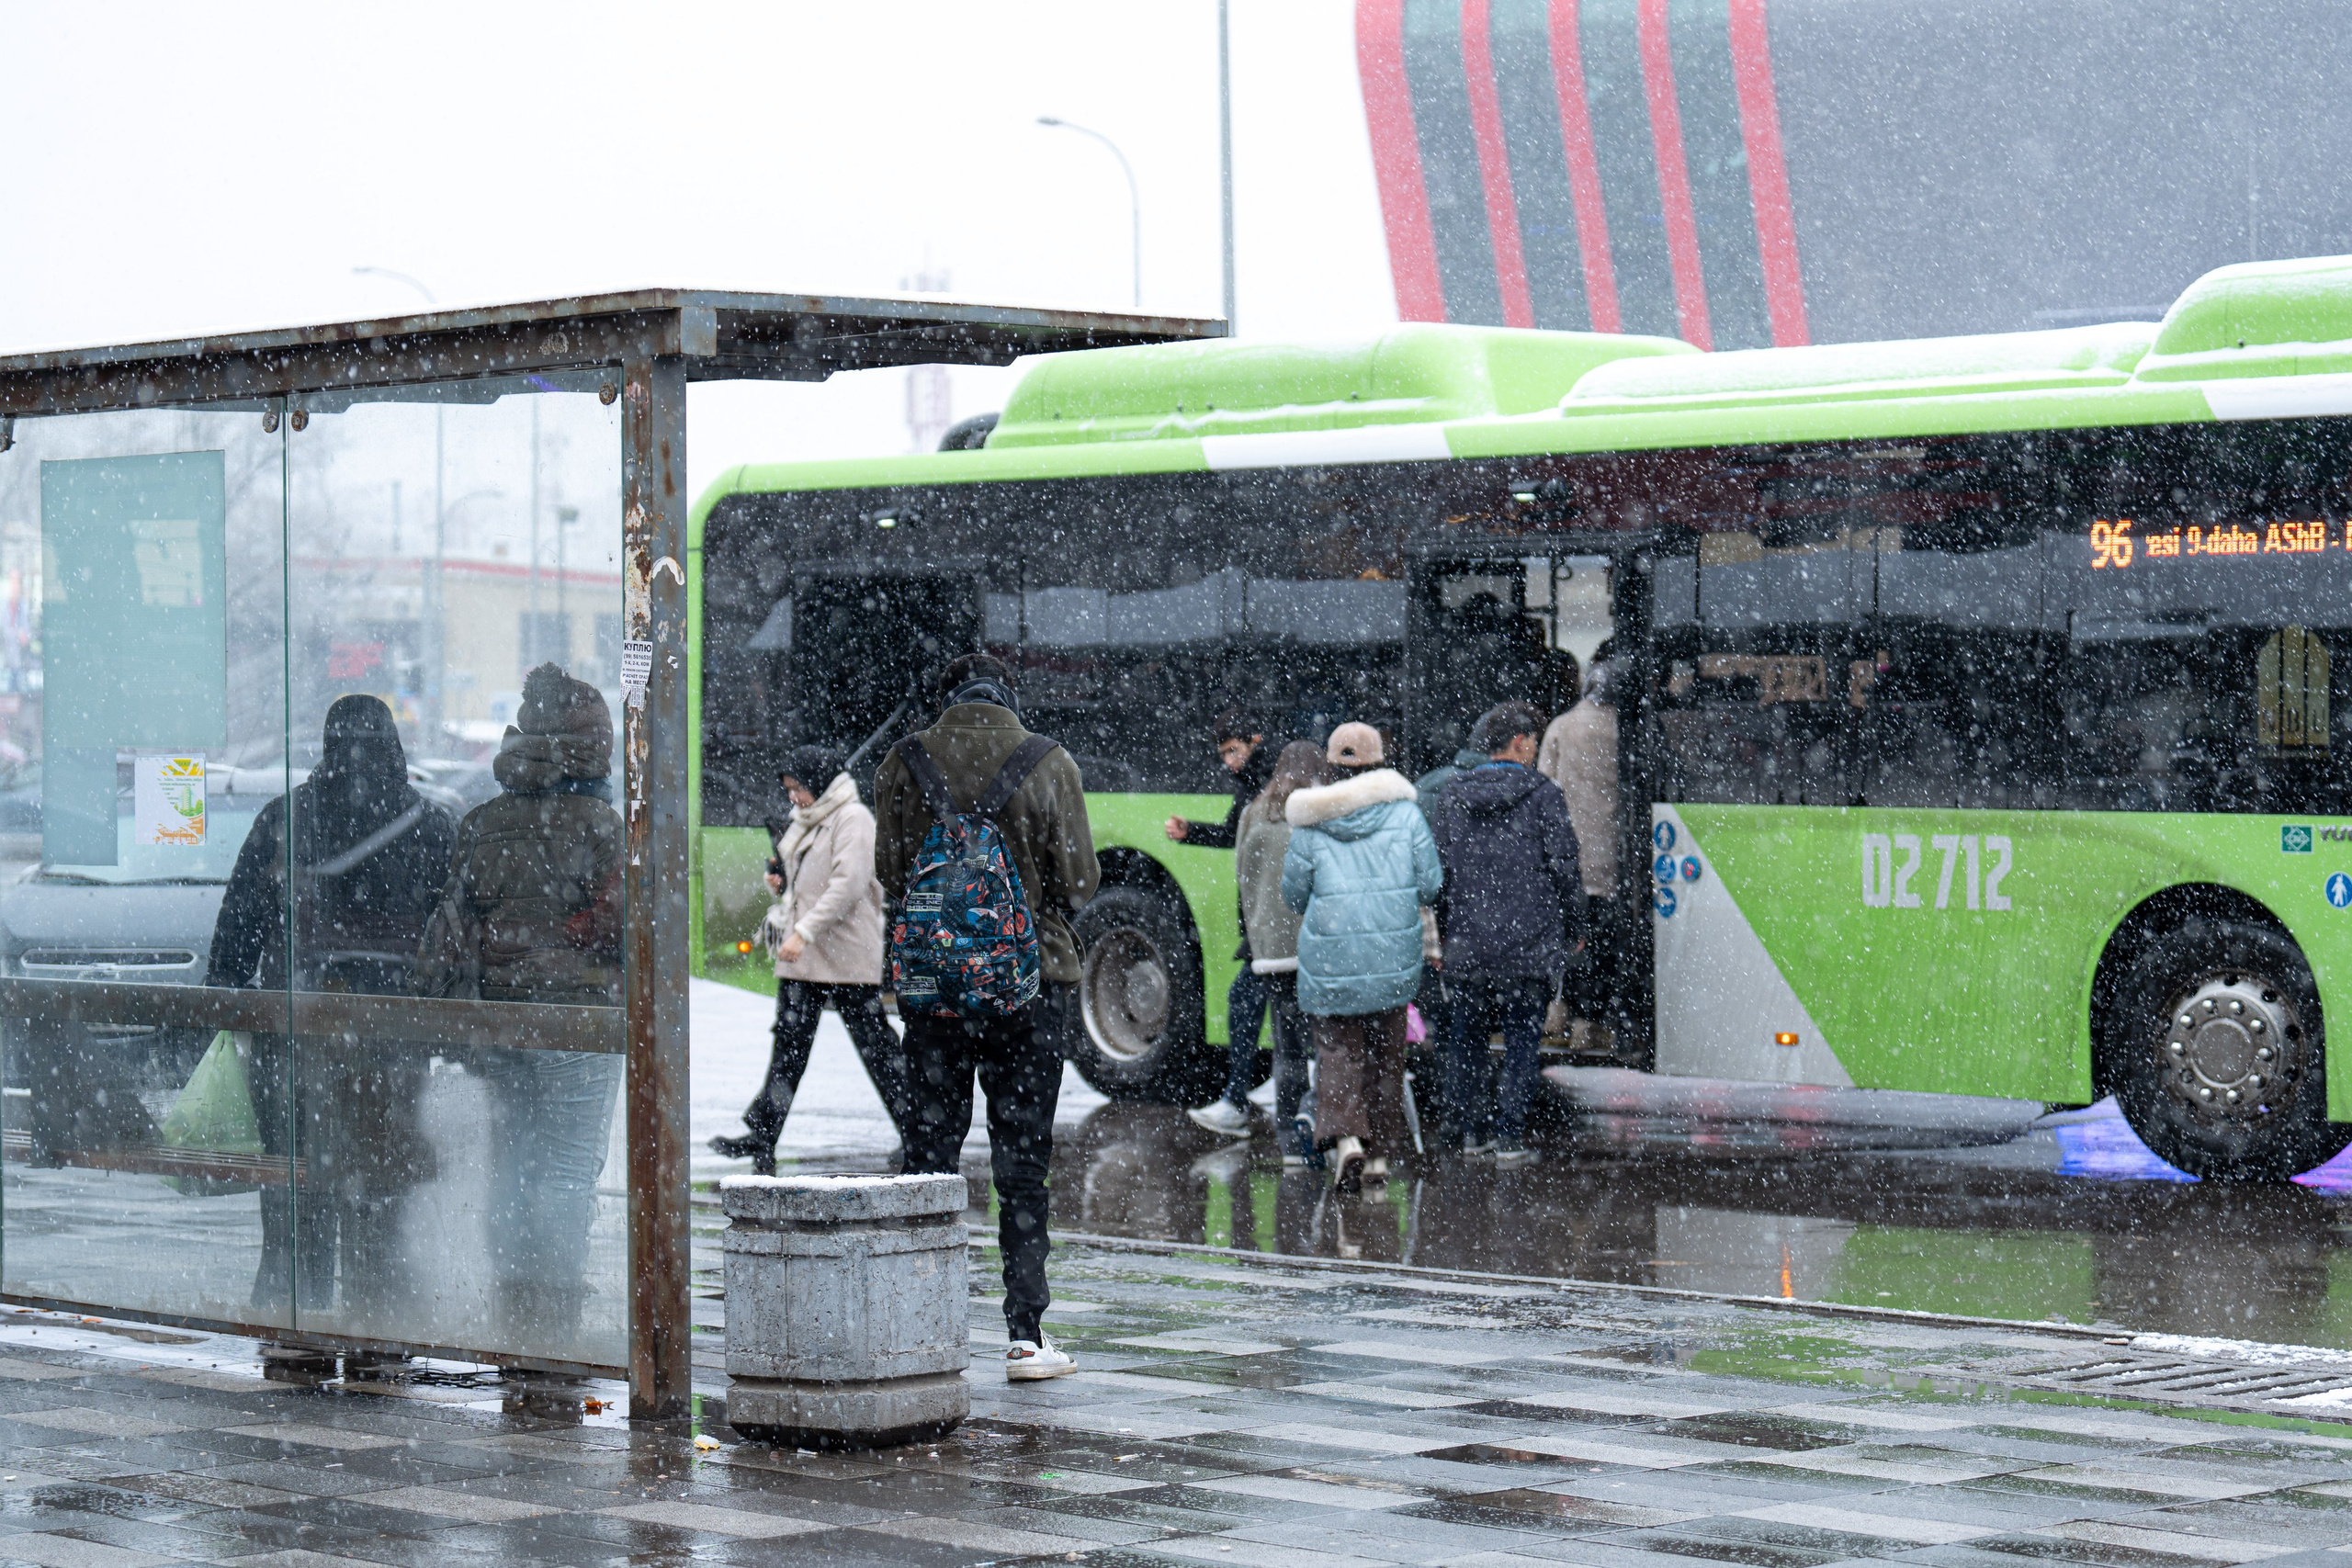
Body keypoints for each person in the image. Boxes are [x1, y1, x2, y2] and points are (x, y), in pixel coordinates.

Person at [874, 653, 1100, 1381]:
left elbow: (891, 870)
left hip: (932, 990)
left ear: (946, 700)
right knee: (1022, 1158)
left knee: (930, 1153)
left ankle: (922, 1323)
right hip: (1029, 988)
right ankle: (1026, 1335)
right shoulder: (1048, 760)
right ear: (1007, 696)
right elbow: (1080, 880)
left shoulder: (903, 761)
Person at [208, 694, 457, 1316]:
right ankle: (376, 1327)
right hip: (391, 1040)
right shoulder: (429, 826)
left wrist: (223, 1016)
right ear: (395, 746)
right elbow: (454, 944)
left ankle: (296, 1327)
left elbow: (235, 936)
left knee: (297, 1189)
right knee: (378, 1191)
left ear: (326, 746)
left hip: (293, 1035)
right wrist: (450, 1030)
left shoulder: (284, 819)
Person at [416, 663, 623, 1350]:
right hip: (579, 1024)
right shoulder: (602, 825)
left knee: (515, 1160)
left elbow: (454, 932)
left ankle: (514, 1296)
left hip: (503, 1021)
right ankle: (555, 1309)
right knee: (567, 1167)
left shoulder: (482, 823)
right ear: (586, 746)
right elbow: (626, 929)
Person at [710, 745, 909, 1175]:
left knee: (875, 1047)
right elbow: (807, 887)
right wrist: (780, 883)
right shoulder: (808, 823)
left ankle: (916, 1131)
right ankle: (763, 1135)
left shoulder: (852, 819)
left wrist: (803, 931)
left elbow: (849, 885)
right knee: (789, 1048)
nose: (793, 798)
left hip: (844, 958)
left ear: (817, 783)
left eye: (797, 789)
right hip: (807, 959)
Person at [1281, 722, 1442, 1194]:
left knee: (1336, 1053)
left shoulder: (1309, 823)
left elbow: (1293, 895)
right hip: (1393, 961)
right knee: (1387, 1057)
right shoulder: (1408, 817)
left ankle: (1348, 1138)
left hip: (1330, 962)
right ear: (1380, 762)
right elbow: (1430, 884)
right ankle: (1378, 1160)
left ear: (1330, 766)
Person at [1432, 700, 1586, 1166]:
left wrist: (1443, 935)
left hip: (1468, 942)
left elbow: (1440, 874)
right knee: (1522, 1041)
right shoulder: (1543, 793)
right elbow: (1565, 868)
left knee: (1468, 1039)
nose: (1536, 750)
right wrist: (1574, 926)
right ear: (1520, 743)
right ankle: (1511, 1137)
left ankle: (1473, 1132)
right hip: (1529, 941)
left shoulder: (1452, 793)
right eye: (1534, 742)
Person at [1193, 740, 1327, 1159]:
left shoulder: (1254, 810)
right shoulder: (1322, 811)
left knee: (1287, 1048)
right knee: (1329, 1046)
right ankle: (1321, 1129)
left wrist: (1260, 931)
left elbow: (1243, 876)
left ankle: (1289, 1141)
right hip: (1319, 949)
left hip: (1269, 951)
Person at [1170, 712, 1280, 1138]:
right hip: (1271, 920)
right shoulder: (1260, 782)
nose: (1231, 762)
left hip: (1272, 921)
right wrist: (1192, 831)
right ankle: (1254, 1103)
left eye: (1235, 751)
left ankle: (1238, 1102)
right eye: (1225, 755)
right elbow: (1237, 834)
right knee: (1272, 1010)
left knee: (1248, 1001)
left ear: (1255, 740)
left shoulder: (1269, 783)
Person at [1539, 655, 1623, 1054]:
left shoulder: (1561, 726)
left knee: (1569, 938)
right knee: (1603, 943)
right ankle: (1589, 1022)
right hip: (1610, 856)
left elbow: (1544, 785)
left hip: (1569, 855)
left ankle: (1557, 1010)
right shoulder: (1624, 728)